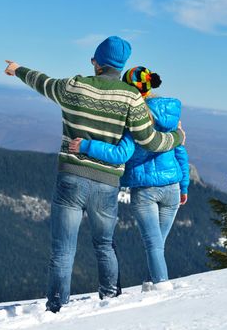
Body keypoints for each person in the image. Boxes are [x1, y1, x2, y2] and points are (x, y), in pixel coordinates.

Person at [4, 36, 185, 313]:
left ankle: (56, 308)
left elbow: (43, 82)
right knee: (104, 245)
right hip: (107, 183)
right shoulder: (131, 97)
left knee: (63, 250)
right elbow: (150, 141)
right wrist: (176, 137)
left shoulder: (73, 86)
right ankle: (110, 301)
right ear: (120, 66)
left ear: (96, 63)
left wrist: (17, 69)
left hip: (70, 179)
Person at [69, 66, 190, 291]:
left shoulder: (135, 117)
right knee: (157, 244)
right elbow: (180, 151)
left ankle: (162, 289)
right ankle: (148, 285)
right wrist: (184, 186)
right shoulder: (171, 115)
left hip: (145, 190)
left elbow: (120, 154)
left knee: (154, 244)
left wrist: (86, 145)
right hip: (172, 187)